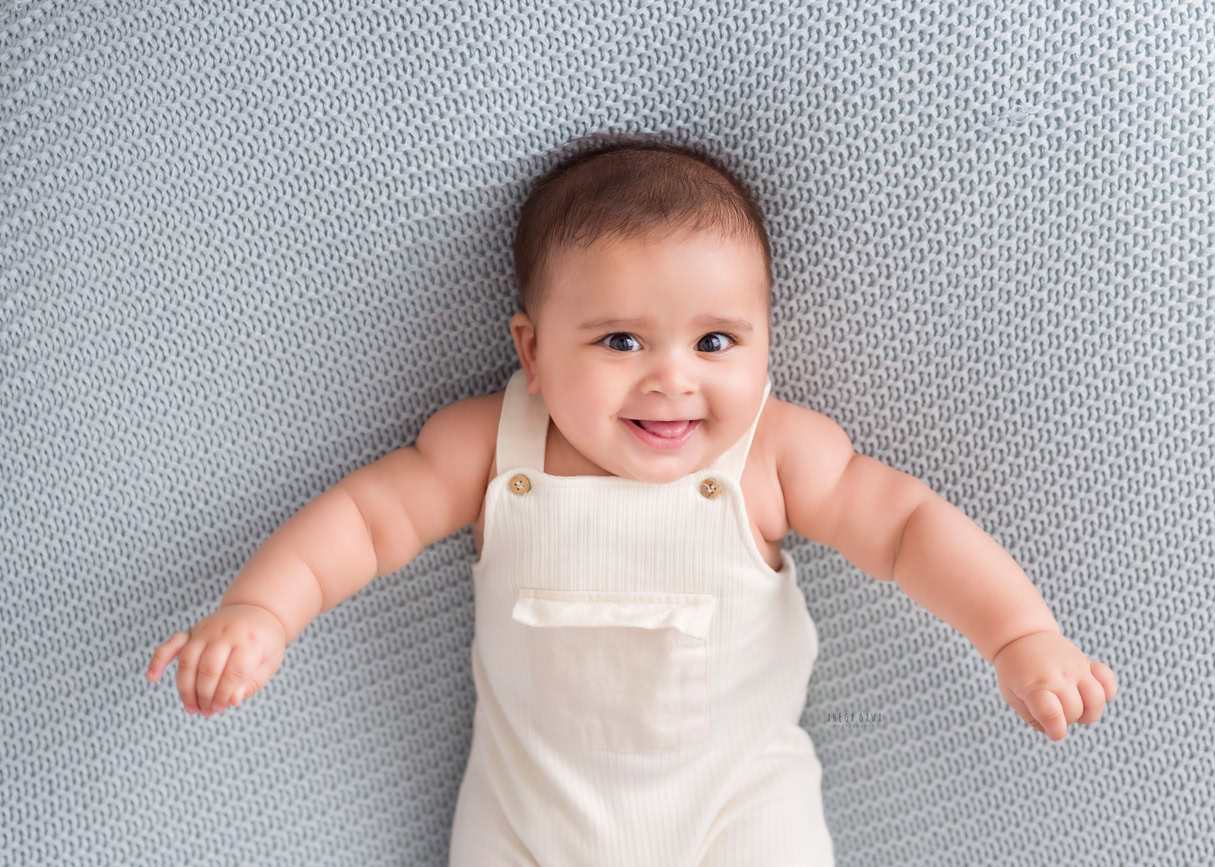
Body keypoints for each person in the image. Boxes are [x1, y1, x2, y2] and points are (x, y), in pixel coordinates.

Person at [144, 131, 1118, 866]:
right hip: (528, 819)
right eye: (618, 342)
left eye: (715, 342)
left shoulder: (775, 454)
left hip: (735, 813)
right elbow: (360, 523)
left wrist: (1017, 635)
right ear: (530, 352)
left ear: (766, 341)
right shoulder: (490, 446)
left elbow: (908, 531)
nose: (670, 382)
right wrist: (261, 612)